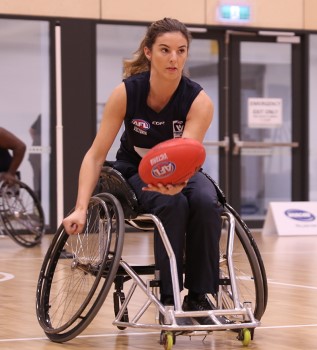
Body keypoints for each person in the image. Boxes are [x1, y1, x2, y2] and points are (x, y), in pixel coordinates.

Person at [62, 18, 224, 325]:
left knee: (205, 201)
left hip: (181, 168)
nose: (173, 58)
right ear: (148, 52)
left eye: (181, 50)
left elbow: (186, 155)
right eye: (165, 50)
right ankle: (169, 298)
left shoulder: (199, 101)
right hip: (134, 168)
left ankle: (199, 296)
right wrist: (81, 209)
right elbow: (96, 155)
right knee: (171, 205)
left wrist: (179, 180)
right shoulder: (126, 93)